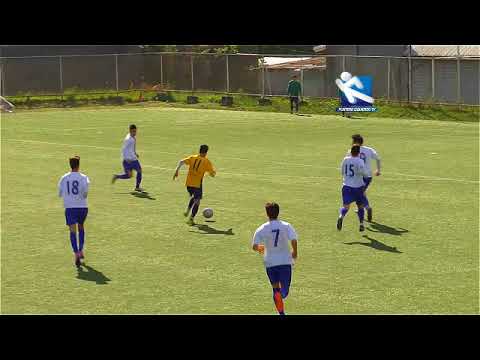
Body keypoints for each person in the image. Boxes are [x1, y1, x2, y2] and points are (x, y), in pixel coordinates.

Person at [252, 202, 298, 316]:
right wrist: (295, 252)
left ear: (267, 214)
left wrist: (259, 248)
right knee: (284, 292)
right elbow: (293, 239)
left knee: (275, 288)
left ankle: (280, 310)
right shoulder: (286, 225)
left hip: (270, 262)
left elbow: (254, 246)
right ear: (278, 212)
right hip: (285, 261)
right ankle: (281, 305)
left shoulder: (262, 228)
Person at [58, 156, 90, 267]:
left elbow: (60, 194)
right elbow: (85, 193)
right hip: (82, 207)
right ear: (78, 165)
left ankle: (76, 253)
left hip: (70, 207)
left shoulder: (64, 178)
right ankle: (81, 250)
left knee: (72, 230)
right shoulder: (84, 177)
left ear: (70, 165)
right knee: (81, 227)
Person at [173, 144, 216, 225]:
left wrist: (176, 171)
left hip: (188, 184)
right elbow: (212, 174)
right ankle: (191, 219)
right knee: (197, 201)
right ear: (206, 152)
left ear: (199, 150)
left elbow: (181, 162)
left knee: (194, 197)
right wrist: (212, 173)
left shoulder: (192, 158)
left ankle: (187, 211)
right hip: (197, 184)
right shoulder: (206, 162)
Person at [348, 134, 381, 222]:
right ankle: (361, 208)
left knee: (359, 194)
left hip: (358, 177)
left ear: (355, 142)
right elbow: (378, 158)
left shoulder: (352, 150)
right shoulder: (369, 150)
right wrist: (378, 169)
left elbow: (348, 162)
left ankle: (367, 207)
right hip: (368, 176)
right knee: (362, 192)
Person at [338, 145, 368, 232]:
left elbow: (342, 171)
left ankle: (341, 216)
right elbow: (364, 173)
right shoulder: (360, 161)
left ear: (351, 152)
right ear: (359, 152)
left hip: (346, 186)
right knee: (360, 206)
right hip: (358, 187)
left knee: (346, 206)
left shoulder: (345, 159)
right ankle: (361, 224)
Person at [112, 124, 144, 192]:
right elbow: (123, 149)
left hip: (134, 159)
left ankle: (137, 187)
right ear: (130, 131)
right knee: (129, 176)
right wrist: (126, 158)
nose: (134, 133)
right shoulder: (128, 139)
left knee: (139, 171)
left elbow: (131, 147)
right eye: (133, 131)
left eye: (135, 131)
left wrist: (135, 153)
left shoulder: (133, 138)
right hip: (128, 160)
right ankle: (117, 176)